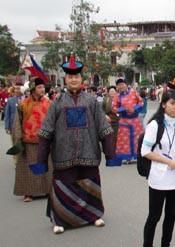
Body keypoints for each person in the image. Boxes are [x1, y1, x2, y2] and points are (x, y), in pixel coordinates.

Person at [32, 54, 116, 234]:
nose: (73, 79)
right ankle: (60, 219)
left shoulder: (92, 101)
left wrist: (110, 154)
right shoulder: (57, 103)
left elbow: (104, 128)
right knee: (63, 184)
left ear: (81, 79)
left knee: (90, 183)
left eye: (76, 76)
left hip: (89, 153)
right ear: (66, 79)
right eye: (70, 77)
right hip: (63, 155)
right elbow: (46, 132)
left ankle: (93, 215)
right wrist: (40, 159)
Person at [141, 90, 175, 247]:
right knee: (154, 216)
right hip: (159, 178)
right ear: (163, 105)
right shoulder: (155, 125)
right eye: (172, 104)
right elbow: (145, 152)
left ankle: (166, 244)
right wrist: (168, 162)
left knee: (171, 215)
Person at [12, 78, 52, 202]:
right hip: (29, 141)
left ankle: (48, 191)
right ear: (33, 89)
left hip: (45, 140)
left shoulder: (49, 103)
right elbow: (17, 123)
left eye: (43, 87)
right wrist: (18, 139)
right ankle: (28, 193)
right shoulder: (23, 104)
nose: (43, 89)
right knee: (29, 168)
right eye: (39, 87)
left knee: (47, 167)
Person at [111, 78, 144, 165]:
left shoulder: (134, 92)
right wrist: (122, 109)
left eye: (122, 84)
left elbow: (141, 102)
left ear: (126, 84)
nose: (121, 86)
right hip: (124, 121)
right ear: (117, 87)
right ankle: (127, 158)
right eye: (119, 85)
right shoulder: (117, 96)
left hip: (135, 121)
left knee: (137, 139)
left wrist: (134, 109)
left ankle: (138, 156)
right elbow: (113, 108)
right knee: (125, 141)